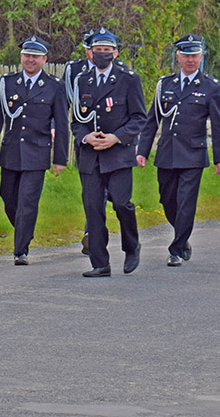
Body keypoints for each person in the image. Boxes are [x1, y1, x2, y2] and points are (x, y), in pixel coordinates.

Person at [136, 34, 220, 266]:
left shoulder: (210, 87)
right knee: (167, 200)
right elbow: (152, 120)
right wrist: (142, 151)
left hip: (193, 154)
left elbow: (218, 125)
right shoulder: (165, 84)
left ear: (201, 57)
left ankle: (176, 249)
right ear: (177, 56)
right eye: (186, 55)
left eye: (195, 55)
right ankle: (182, 233)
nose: (190, 60)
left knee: (186, 201)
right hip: (167, 153)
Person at [0, 35, 69, 265]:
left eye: (35, 56)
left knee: (27, 201)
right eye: (27, 55)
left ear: (44, 59)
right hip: (11, 152)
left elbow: (61, 124)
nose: (30, 60)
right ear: (21, 57)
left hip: (37, 154)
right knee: (8, 197)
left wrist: (59, 158)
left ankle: (21, 250)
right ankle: (24, 229)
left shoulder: (54, 86)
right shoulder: (7, 83)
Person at [71, 28, 147, 277]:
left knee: (122, 203)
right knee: (93, 208)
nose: (102, 54)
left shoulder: (128, 79)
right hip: (91, 155)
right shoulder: (82, 80)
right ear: (90, 53)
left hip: (118, 154)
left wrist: (116, 137)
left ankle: (131, 245)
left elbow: (139, 118)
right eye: (98, 50)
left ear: (115, 52)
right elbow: (76, 119)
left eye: (107, 50)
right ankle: (100, 263)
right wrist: (85, 136)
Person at [63, 28, 98, 255]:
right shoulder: (74, 70)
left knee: (107, 190)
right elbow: (69, 101)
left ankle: (92, 231)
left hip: (111, 140)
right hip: (84, 135)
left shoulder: (120, 72)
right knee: (89, 186)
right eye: (91, 48)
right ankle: (92, 229)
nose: (94, 53)